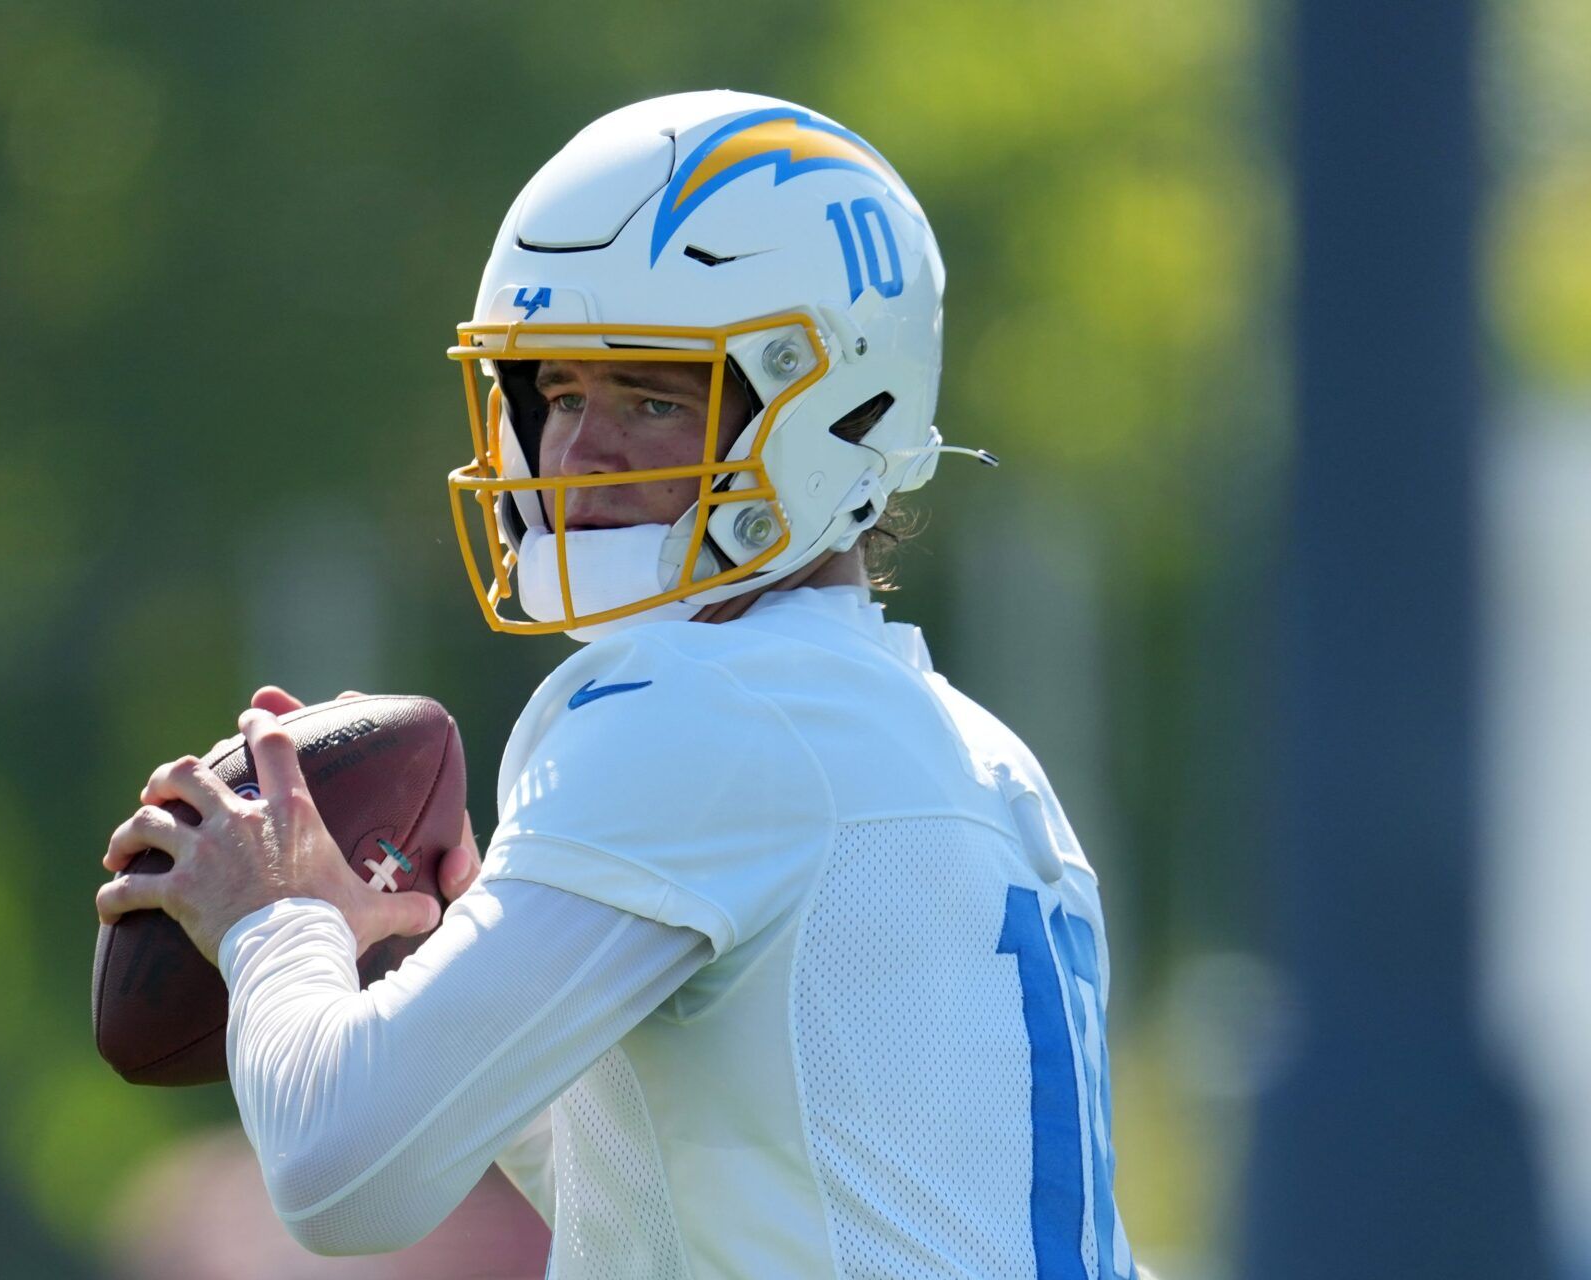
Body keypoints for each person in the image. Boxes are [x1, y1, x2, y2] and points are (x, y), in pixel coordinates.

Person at [99, 90, 1136, 1279]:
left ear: (835, 409)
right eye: (559, 395)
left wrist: (273, 917)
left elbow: (343, 1176)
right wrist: (430, 964)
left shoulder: (703, 704)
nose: (579, 452)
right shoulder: (971, 752)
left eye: (653, 397)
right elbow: (692, 1185)